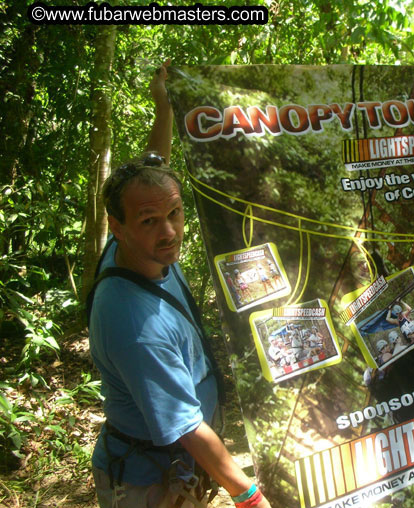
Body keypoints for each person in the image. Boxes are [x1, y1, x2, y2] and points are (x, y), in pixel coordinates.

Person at [88, 60, 271, 508]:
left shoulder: (130, 246)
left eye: (175, 213)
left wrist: (164, 108)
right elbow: (186, 427)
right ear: (118, 226)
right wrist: (249, 497)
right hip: (150, 483)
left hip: (177, 470)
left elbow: (154, 176)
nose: (168, 231)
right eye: (150, 221)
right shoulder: (136, 326)